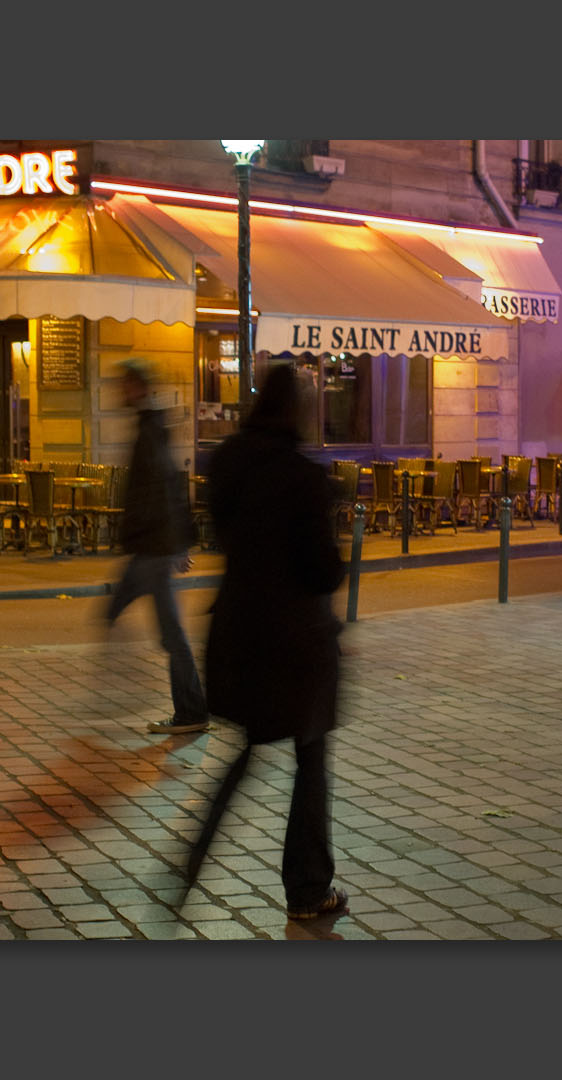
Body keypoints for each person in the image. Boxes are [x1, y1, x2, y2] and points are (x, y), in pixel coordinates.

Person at [194, 362, 349, 921]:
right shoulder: (303, 477)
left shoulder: (227, 462)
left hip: (238, 633)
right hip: (296, 647)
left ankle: (188, 860)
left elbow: (225, 533)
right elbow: (321, 570)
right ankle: (309, 888)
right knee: (309, 763)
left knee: (245, 752)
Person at [105, 359, 209, 735]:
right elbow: (168, 490)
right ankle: (188, 707)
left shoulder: (150, 431)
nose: (120, 392)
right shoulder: (150, 428)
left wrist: (176, 545)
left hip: (152, 549)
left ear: (140, 389)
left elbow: (163, 492)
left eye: (125, 385)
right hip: (150, 547)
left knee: (168, 632)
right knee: (118, 612)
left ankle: (190, 710)